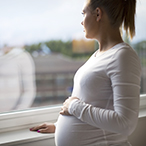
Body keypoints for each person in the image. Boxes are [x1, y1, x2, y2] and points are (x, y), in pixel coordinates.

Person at [30, 0, 141, 145]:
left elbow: (125, 123)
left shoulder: (123, 56)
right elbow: (95, 102)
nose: (81, 22)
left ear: (98, 13)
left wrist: (74, 107)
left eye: (83, 13)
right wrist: (58, 126)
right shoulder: (99, 55)